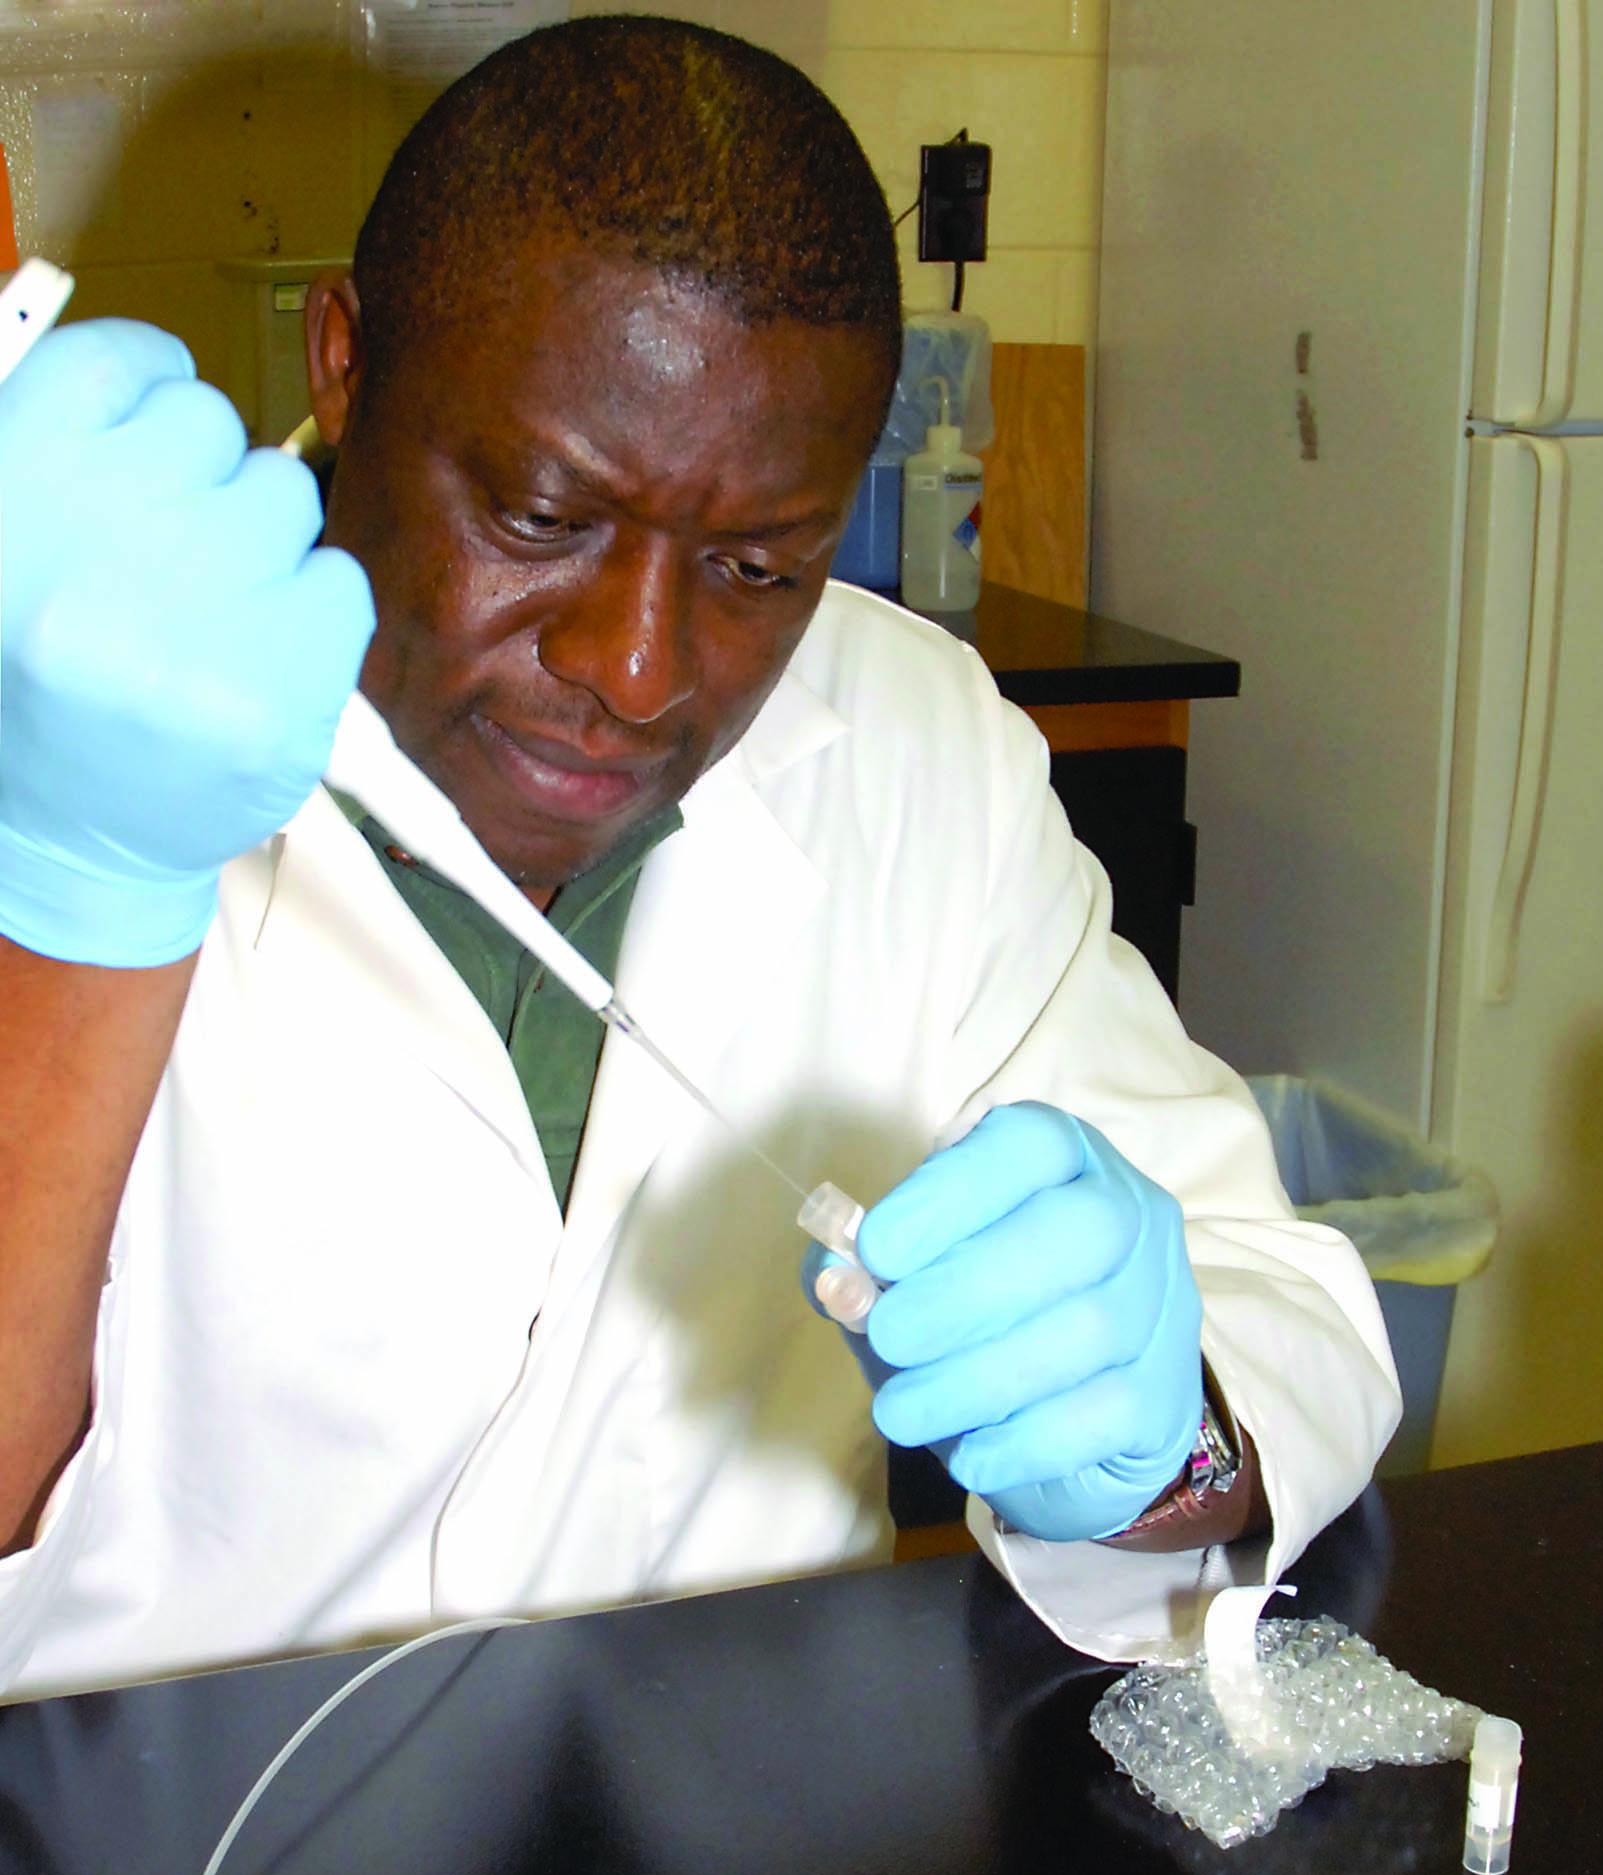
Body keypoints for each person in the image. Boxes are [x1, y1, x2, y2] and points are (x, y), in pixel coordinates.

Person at [0, 17, 1399, 1701]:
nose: (639, 669)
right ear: (345, 359)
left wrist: (1165, 1446)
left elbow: (1282, 1315)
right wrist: (62, 913)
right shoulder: (61, 726)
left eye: (755, 566)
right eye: (540, 515)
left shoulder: (909, 740)